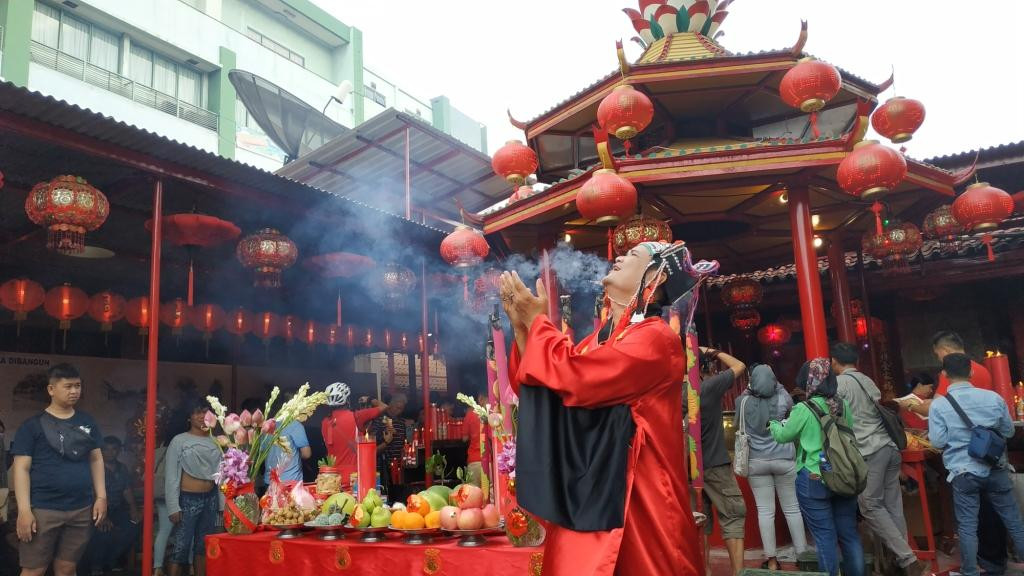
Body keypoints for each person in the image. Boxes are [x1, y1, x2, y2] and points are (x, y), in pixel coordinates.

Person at [502, 241, 705, 576]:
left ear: (654, 279)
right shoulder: (601, 339)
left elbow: (575, 377)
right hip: (593, 490)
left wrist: (539, 323)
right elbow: (552, 385)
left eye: (634, 256)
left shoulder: (656, 338)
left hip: (638, 497)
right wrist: (523, 328)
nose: (619, 257)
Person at [831, 342, 927, 576]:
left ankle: (907, 559)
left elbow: (834, 415)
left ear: (835, 361)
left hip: (869, 449)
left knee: (870, 505)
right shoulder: (867, 380)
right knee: (893, 506)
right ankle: (901, 561)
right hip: (889, 447)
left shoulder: (838, 384)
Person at [928, 353, 1024, 576]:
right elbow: (1008, 431)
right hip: (996, 467)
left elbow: (938, 441)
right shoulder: (993, 398)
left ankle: (970, 571)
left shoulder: (939, 406)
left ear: (944, 375)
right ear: (971, 372)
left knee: (968, 526)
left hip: (963, 472)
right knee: (1014, 522)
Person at [770, 358, 864, 576]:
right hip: (843, 475)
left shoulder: (804, 408)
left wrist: (773, 424)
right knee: (849, 535)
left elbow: (784, 436)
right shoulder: (843, 405)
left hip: (815, 475)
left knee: (825, 538)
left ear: (808, 381)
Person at [11, 363, 107, 576]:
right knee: (34, 570)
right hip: (43, 508)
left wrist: (101, 497)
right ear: (51, 389)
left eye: (78, 386)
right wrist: (24, 510)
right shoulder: (32, 426)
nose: (74, 391)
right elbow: (21, 469)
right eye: (68, 386)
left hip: (81, 507)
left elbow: (96, 460)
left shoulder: (87, 422)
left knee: (67, 568)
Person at [735, 363, 807, 571]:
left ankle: (772, 561)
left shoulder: (742, 401)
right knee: (792, 509)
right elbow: (791, 410)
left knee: (765, 511)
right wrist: (777, 385)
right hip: (784, 460)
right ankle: (802, 556)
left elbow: (742, 406)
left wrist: (751, 387)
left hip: (756, 462)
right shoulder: (783, 397)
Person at [698, 346, 747, 575]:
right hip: (716, 464)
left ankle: (704, 570)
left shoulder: (672, 391)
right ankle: (738, 572)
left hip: (689, 470)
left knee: (699, 524)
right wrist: (712, 351)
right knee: (733, 517)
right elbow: (739, 366)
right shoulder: (707, 387)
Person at [165, 398, 221, 576]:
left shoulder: (218, 441)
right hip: (187, 499)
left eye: (206, 411)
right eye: (197, 412)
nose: (202, 416)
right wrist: (173, 506)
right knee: (181, 547)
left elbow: (222, 475)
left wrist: (222, 504)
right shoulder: (179, 440)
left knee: (203, 546)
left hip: (211, 497)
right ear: (189, 417)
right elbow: (172, 476)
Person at [81, 436, 140, 576]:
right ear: (101, 451)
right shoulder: (93, 468)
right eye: (106, 449)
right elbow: (89, 493)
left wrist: (133, 509)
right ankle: (96, 566)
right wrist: (103, 516)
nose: (111, 452)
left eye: (114, 449)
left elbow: (126, 490)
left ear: (119, 450)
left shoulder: (122, 468)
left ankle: (111, 560)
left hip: (117, 509)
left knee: (133, 526)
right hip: (95, 510)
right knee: (102, 531)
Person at [320, 383, 387, 487]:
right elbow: (384, 407)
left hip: (333, 478)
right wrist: (369, 399)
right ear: (347, 400)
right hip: (355, 476)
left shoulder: (324, 422)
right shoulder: (357, 416)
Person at [263, 394, 312, 484]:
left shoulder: (266, 425)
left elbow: (261, 453)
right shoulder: (295, 425)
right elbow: (307, 454)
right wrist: (294, 455)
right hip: (290, 481)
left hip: (269, 481)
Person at [462, 393, 486, 488]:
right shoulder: (494, 414)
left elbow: (464, 438)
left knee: (473, 495)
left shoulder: (470, 414)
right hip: (489, 462)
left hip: (474, 461)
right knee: (491, 496)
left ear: (480, 398)